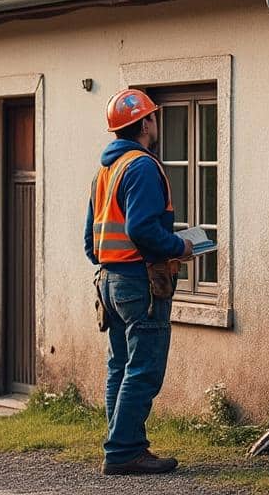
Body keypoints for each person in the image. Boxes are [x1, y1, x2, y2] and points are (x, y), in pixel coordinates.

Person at [85, 88, 194, 475]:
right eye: (153, 117)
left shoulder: (106, 170)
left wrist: (111, 268)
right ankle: (123, 452)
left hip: (109, 280)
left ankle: (124, 446)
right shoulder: (143, 166)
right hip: (139, 282)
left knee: (120, 367)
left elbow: (90, 238)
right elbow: (142, 229)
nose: (156, 122)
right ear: (145, 123)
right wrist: (179, 245)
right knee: (143, 369)